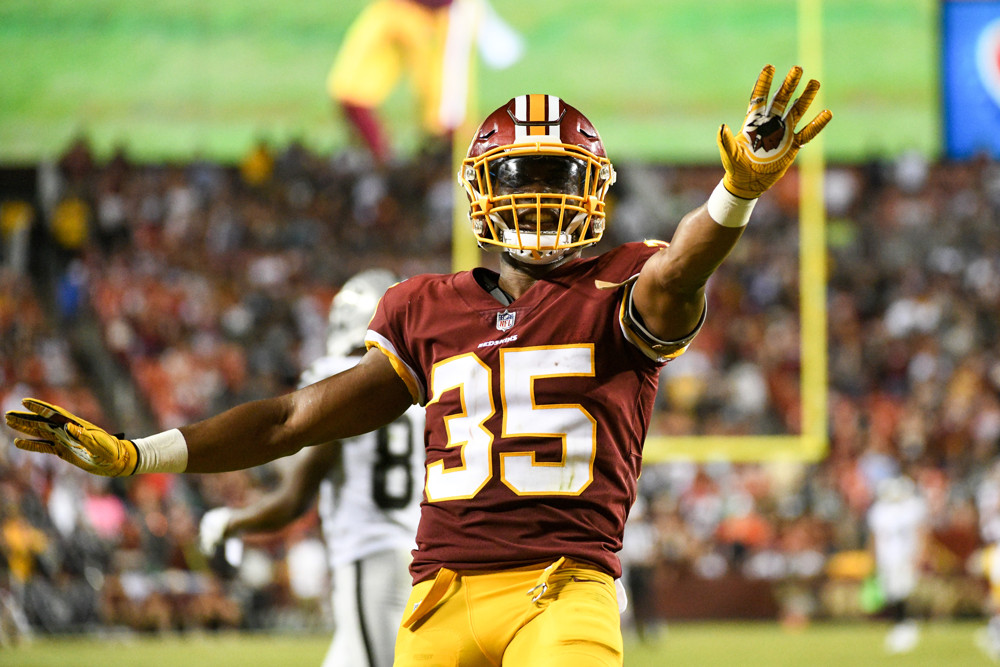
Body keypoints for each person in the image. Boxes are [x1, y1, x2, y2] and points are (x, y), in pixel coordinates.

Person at [6, 64, 831, 666]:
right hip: (437, 596)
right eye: (520, 176)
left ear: (595, 191)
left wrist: (737, 194)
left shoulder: (621, 284)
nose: (537, 196)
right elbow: (294, 419)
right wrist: (135, 452)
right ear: (479, 191)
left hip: (561, 588)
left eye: (557, 177)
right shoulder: (426, 307)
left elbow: (683, 265)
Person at [198, 269, 424, 667]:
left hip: (366, 554)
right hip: (412, 556)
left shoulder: (337, 380)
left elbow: (294, 498)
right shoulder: (420, 385)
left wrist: (231, 522)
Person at [866, 475, 928, 655]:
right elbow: (874, 538)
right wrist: (872, 558)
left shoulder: (912, 508)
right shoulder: (879, 511)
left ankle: (906, 624)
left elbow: (921, 533)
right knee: (891, 592)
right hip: (887, 558)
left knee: (904, 590)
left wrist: (920, 554)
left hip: (905, 556)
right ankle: (901, 624)